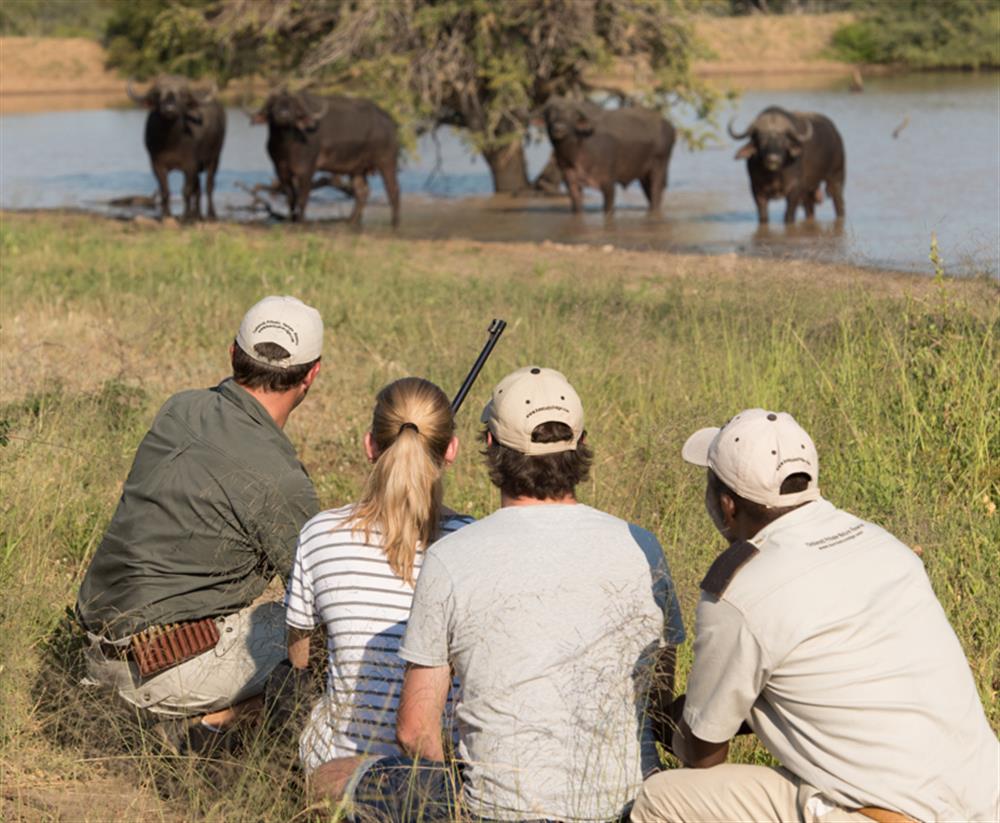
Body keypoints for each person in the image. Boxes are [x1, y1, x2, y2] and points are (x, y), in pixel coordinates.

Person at [343, 366, 685, 822]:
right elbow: (658, 696)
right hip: (630, 808)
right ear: (581, 447)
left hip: (499, 811)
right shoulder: (643, 546)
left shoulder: (451, 557)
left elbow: (413, 730)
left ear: (489, 446)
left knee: (338, 774)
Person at [631, 408, 1000, 823]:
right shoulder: (882, 543)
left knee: (660, 799)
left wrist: (661, 719)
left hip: (890, 814)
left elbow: (702, 756)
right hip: (985, 802)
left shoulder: (740, 588)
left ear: (727, 505)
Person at [76, 295, 323, 750]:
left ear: (232, 353)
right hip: (164, 674)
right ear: (312, 375)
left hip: (97, 652)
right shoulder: (282, 482)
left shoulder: (179, 408)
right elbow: (328, 594)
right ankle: (210, 727)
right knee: (333, 639)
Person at [283, 377, 472, 805]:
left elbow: (298, 660)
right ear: (452, 450)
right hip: (443, 779)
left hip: (337, 775)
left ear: (370, 446)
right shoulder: (476, 544)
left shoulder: (320, 534)